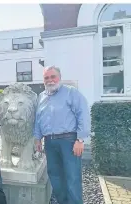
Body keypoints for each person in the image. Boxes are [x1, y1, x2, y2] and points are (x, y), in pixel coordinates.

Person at [34, 66, 90, 204]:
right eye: (46, 78)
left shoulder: (71, 93)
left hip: (69, 141)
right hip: (49, 143)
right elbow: (38, 119)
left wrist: (80, 139)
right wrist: (37, 138)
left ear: (59, 77)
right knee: (55, 177)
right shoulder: (41, 97)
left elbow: (83, 114)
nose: (50, 80)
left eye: (53, 77)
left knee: (72, 177)